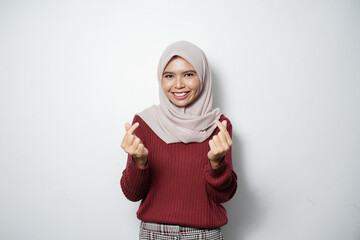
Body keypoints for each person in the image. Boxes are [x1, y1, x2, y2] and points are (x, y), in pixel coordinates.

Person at [120, 41, 237, 240]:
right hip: (154, 234)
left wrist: (217, 164)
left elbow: (224, 196)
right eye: (169, 76)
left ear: (203, 76)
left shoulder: (219, 126)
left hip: (204, 235)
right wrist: (138, 163)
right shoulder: (144, 123)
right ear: (160, 79)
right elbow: (132, 194)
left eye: (189, 74)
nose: (178, 84)